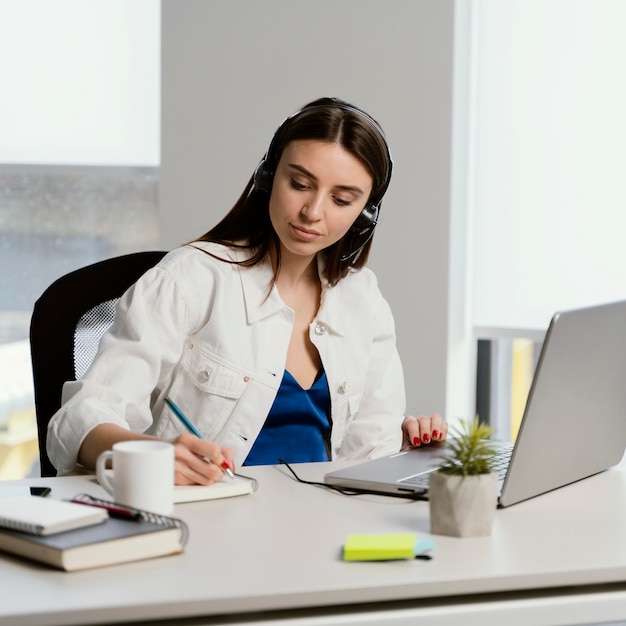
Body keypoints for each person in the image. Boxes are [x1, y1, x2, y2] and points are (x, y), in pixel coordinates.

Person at [47, 97, 448, 485]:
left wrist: (406, 450)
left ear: (365, 215)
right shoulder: (190, 279)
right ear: (268, 177)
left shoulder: (363, 299)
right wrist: (149, 455)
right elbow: (80, 419)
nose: (313, 212)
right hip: (208, 523)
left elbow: (369, 456)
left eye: (342, 199)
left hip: (323, 529)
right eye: (300, 183)